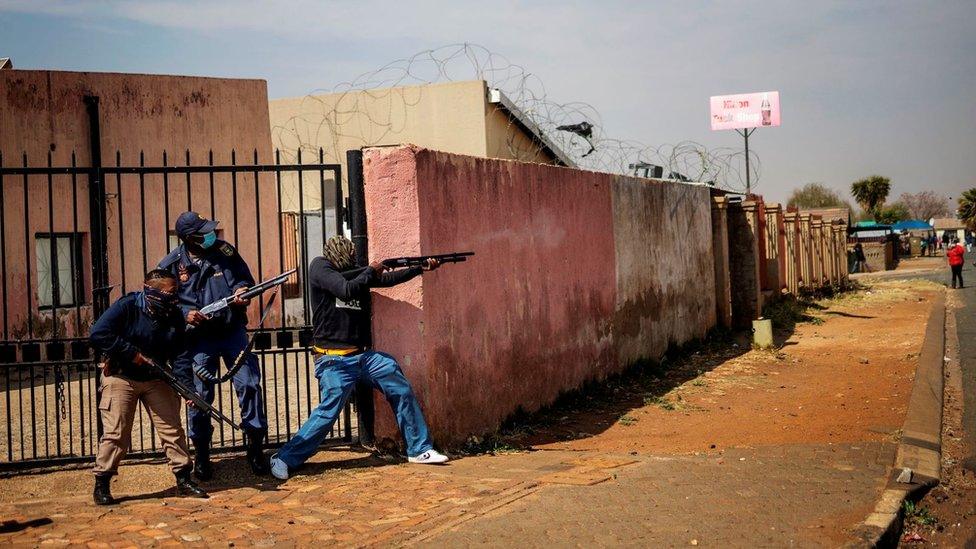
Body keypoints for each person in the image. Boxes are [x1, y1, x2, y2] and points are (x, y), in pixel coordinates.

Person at [269, 236, 449, 479]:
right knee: (328, 410)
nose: (352, 258)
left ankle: (419, 449)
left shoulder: (359, 274)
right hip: (332, 359)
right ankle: (284, 458)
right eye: (349, 255)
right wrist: (370, 271)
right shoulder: (320, 267)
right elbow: (344, 289)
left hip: (363, 357)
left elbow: (387, 279)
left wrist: (420, 268)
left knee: (397, 383)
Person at [158, 211, 269, 479]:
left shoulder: (224, 251)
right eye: (202, 233)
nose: (210, 236)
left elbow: (244, 279)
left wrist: (243, 291)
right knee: (199, 397)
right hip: (198, 338)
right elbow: (161, 301)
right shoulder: (171, 264)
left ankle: (255, 447)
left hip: (232, 331)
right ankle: (202, 455)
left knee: (249, 385)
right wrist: (185, 314)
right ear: (188, 238)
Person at [89, 269, 208, 505]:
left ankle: (183, 480)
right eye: (170, 294)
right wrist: (132, 354)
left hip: (157, 376)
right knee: (116, 433)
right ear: (152, 292)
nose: (175, 299)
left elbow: (181, 355)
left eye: (177, 294)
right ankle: (102, 482)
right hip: (121, 375)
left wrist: (186, 388)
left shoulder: (174, 315)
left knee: (172, 430)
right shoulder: (127, 306)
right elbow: (98, 333)